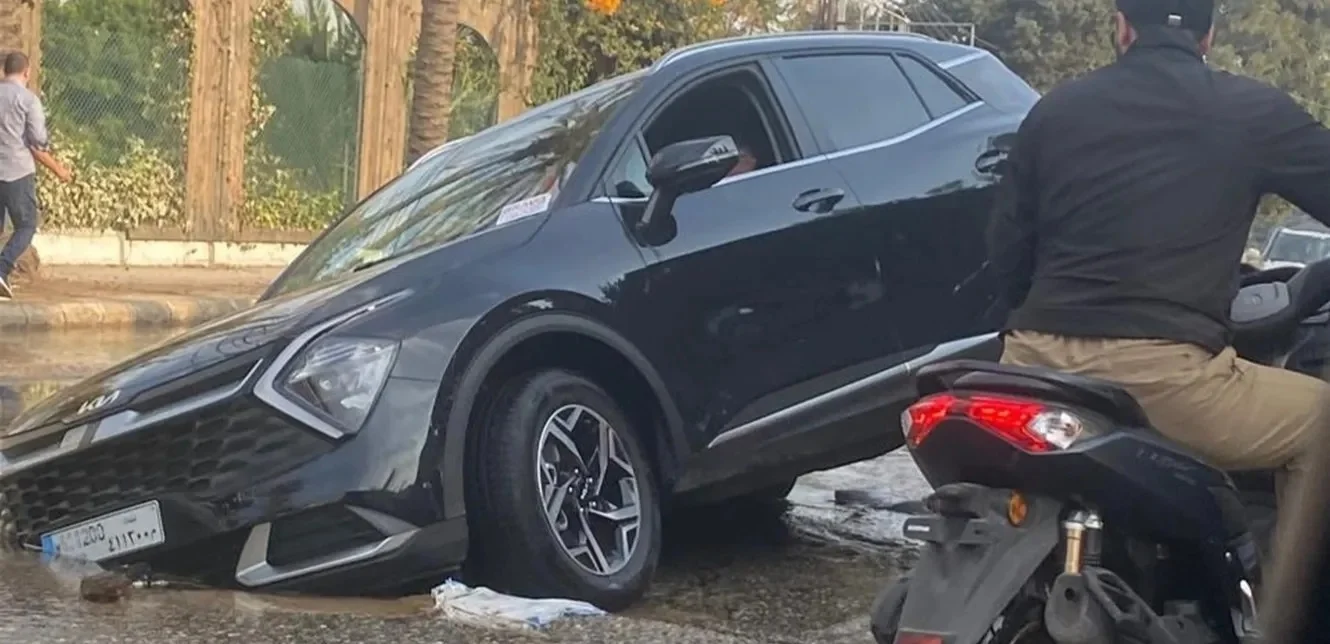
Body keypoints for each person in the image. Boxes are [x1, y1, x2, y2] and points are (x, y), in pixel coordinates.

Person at [987, 0, 1330, 512]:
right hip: (1163, 378)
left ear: (1123, 28)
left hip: (1032, 362)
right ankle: (1277, 570)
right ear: (1208, 37)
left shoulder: (1056, 108)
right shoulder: (1251, 111)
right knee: (1321, 421)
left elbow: (1007, 250)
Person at [0, 51, 71, 299]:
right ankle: (2, 268)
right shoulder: (28, 101)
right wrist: (59, 169)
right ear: (27, 72)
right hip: (17, 171)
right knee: (26, 225)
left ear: (4, 71)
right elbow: (38, 142)